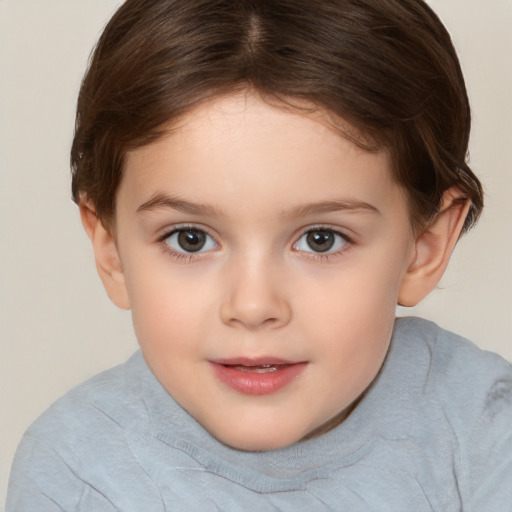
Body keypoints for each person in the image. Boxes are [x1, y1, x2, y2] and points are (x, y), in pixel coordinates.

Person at [6, 0, 511, 509]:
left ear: (424, 246)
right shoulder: (75, 474)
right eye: (190, 239)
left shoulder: (484, 431)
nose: (252, 305)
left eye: (320, 239)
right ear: (111, 249)